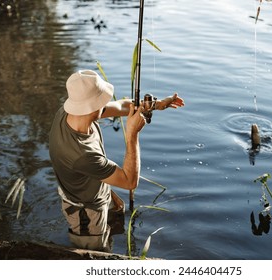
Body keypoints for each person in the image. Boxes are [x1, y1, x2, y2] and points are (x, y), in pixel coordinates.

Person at [49, 69, 184, 251]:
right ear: (92, 107)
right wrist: (132, 135)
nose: (106, 103)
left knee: (116, 223)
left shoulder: (70, 113)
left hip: (97, 187)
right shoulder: (82, 155)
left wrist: (156, 104)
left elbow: (121, 106)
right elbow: (130, 182)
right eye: (102, 100)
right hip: (87, 213)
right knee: (95, 258)